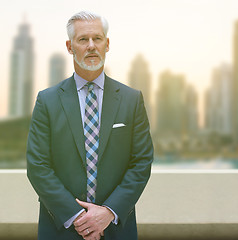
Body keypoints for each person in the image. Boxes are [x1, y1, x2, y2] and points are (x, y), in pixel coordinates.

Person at [26, 11, 153, 240]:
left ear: (107, 44)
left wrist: (107, 213)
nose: (91, 45)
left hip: (116, 228)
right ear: (70, 46)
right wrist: (78, 218)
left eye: (98, 38)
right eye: (83, 39)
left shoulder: (132, 99)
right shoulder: (47, 100)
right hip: (61, 228)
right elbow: (38, 166)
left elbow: (141, 161)